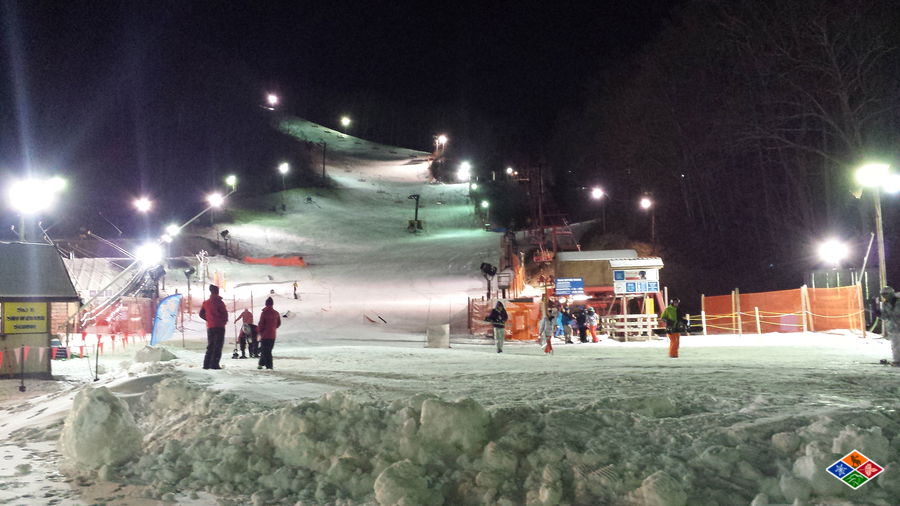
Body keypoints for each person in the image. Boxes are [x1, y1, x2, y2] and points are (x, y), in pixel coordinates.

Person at [199, 284, 228, 369]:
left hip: (210, 326)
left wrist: (208, 319)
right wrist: (223, 321)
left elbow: (201, 314)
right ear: (217, 292)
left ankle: (206, 364)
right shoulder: (220, 302)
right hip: (219, 326)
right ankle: (214, 364)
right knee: (218, 346)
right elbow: (224, 314)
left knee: (210, 345)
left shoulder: (206, 303)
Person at [257, 297, 282, 370]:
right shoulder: (276, 313)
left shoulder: (264, 313)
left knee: (265, 351)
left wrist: (260, 331)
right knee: (267, 350)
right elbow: (278, 323)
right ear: (272, 304)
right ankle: (261, 363)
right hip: (272, 335)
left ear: (266, 304)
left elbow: (261, 324)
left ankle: (269, 366)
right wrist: (273, 328)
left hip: (265, 335)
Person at [878, 286, 900, 367]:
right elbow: (885, 317)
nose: (884, 296)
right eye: (882, 294)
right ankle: (897, 360)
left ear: (891, 293)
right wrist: (879, 314)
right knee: (895, 344)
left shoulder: (898, 301)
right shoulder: (885, 304)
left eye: (885, 294)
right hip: (894, 327)